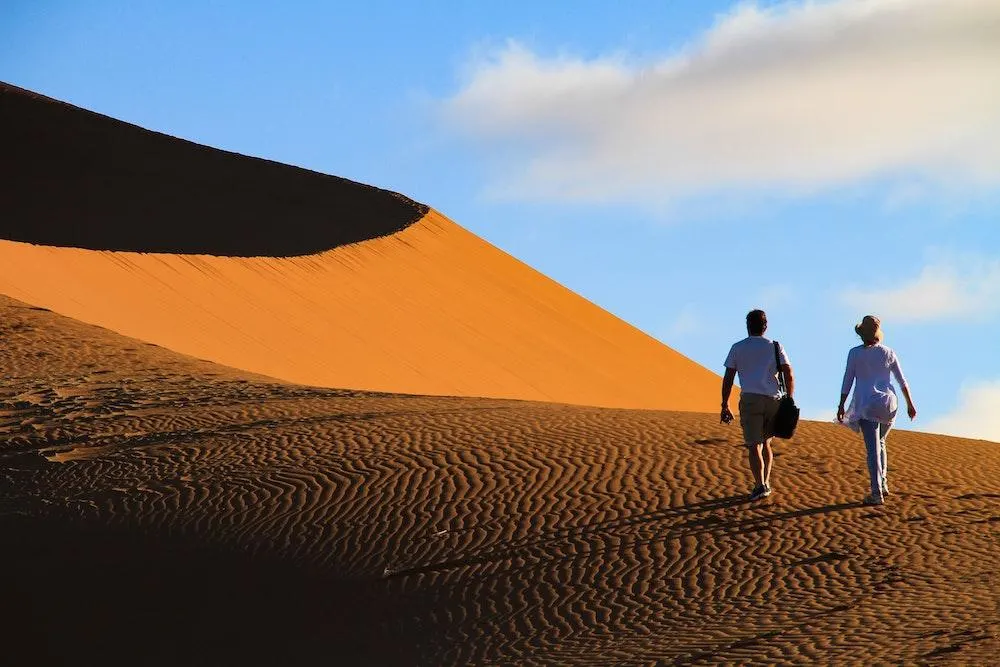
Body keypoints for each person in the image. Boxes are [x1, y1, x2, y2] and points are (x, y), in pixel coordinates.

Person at [837, 315, 917, 506]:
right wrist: (910, 404)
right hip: (889, 404)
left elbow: (848, 379)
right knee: (880, 442)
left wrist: (841, 404)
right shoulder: (888, 352)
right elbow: (901, 380)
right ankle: (884, 484)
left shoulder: (855, 353)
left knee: (872, 450)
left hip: (867, 404)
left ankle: (876, 492)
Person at [721, 309, 795, 501]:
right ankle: (766, 482)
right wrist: (790, 397)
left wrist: (725, 403)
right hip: (773, 400)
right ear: (765, 326)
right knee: (767, 443)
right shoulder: (775, 346)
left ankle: (759, 484)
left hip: (750, 399)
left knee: (754, 445)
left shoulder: (738, 347)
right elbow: (788, 373)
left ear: (748, 326)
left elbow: (729, 377)